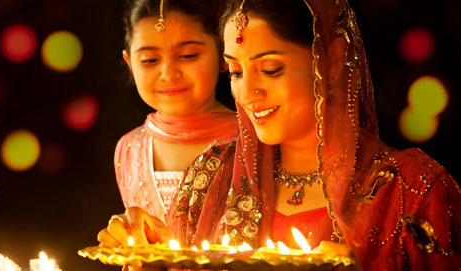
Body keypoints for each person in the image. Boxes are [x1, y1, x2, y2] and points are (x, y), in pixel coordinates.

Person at [217, 0, 461, 269]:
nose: (247, 94)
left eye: (270, 69)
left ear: (330, 60)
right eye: (235, 72)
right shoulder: (216, 178)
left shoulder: (413, 191)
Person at [97, 0, 237, 249]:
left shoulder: (252, 140)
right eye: (150, 60)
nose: (169, 72)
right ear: (130, 63)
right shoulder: (130, 148)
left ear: (224, 55)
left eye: (188, 56)